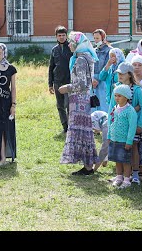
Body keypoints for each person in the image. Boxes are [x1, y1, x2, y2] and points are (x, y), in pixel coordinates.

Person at [59, 31, 100, 175]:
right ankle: (88, 164)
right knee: (84, 132)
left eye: (71, 42)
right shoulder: (85, 57)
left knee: (82, 132)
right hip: (81, 100)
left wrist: (67, 87)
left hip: (79, 101)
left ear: (77, 44)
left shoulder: (81, 59)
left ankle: (88, 166)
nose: (69, 44)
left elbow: (81, 84)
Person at [107, 62, 142, 185]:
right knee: (119, 148)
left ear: (129, 74)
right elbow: (111, 107)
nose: (119, 75)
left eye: (122, 73)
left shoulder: (137, 89)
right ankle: (120, 175)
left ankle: (134, 174)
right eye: (118, 73)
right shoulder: (117, 87)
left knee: (133, 147)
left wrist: (140, 124)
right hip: (119, 126)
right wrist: (110, 123)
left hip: (132, 124)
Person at [107, 84, 138, 189]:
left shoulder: (130, 111)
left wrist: (129, 141)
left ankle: (126, 179)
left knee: (125, 160)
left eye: (119, 96)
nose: (116, 98)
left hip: (124, 141)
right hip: (114, 139)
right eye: (115, 95)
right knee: (117, 159)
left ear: (126, 97)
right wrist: (109, 135)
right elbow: (111, 122)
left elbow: (132, 127)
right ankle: (119, 177)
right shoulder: (115, 108)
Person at [48, 25, 73, 133]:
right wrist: (50, 84)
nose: (61, 37)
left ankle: (72, 126)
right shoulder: (54, 50)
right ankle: (65, 127)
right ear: (56, 37)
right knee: (60, 105)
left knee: (68, 104)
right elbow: (51, 67)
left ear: (66, 36)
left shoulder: (72, 47)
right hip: (57, 81)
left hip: (69, 81)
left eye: (63, 35)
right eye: (59, 35)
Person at [92, 29, 112, 113]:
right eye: (94, 38)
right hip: (93, 81)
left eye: (97, 38)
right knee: (93, 103)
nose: (96, 40)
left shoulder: (109, 50)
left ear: (103, 38)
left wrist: (99, 79)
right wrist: (92, 79)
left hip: (103, 80)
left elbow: (108, 66)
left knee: (104, 104)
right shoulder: (93, 50)